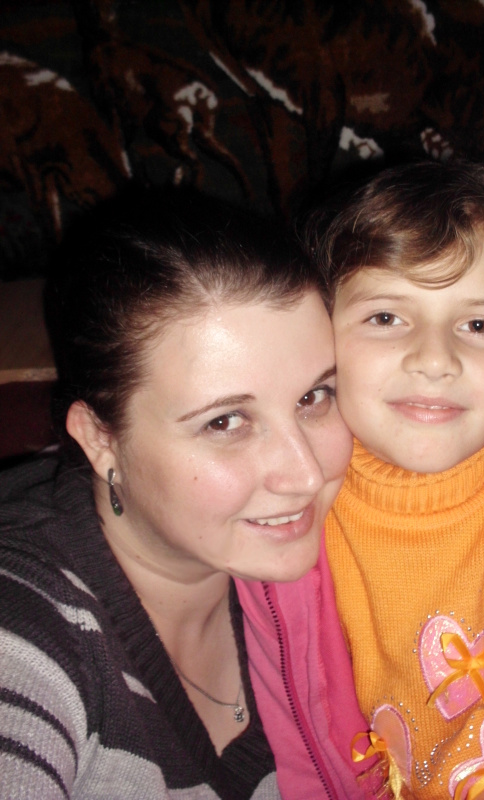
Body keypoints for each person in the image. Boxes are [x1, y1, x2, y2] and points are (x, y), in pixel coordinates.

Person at [237, 161, 484, 799]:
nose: (435, 358)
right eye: (386, 317)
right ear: (321, 347)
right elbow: (296, 746)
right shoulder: (279, 518)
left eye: (479, 325)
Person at [0, 190, 366, 799]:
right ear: (100, 439)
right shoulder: (25, 628)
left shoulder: (358, 539)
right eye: (225, 422)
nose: (305, 473)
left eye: (314, 397)